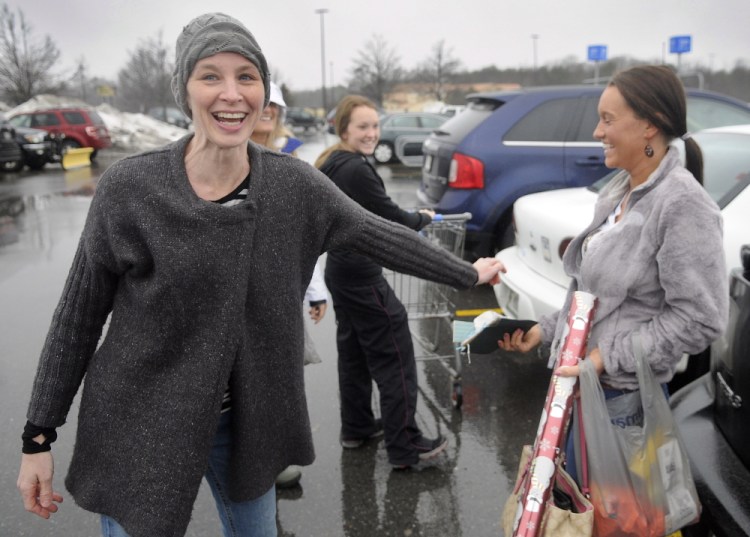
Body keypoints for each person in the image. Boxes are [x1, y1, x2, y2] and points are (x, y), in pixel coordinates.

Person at [16, 13, 505, 537]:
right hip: (141, 416)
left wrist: (465, 273)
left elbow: (378, 233)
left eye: (247, 76)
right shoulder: (130, 189)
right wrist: (38, 438)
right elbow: (77, 318)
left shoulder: (294, 187)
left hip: (243, 422)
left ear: (264, 91)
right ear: (186, 90)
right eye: (211, 76)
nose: (232, 94)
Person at [498, 65, 728, 482]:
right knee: (578, 516)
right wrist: (546, 330)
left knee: (614, 523)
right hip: (581, 390)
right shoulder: (619, 191)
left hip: (626, 407)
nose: (596, 131)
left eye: (607, 119)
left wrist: (606, 358)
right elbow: (592, 296)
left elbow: (701, 319)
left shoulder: (683, 205)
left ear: (649, 126)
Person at [314, 95, 449, 469]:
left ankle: (356, 427)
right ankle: (406, 446)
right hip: (361, 275)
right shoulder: (355, 168)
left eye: (375, 126)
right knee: (395, 356)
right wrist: (421, 218)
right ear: (344, 129)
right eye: (362, 127)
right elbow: (389, 217)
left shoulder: (332, 162)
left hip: (341, 272)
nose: (372, 133)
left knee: (355, 353)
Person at [250, 80, 327, 489]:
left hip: (282, 292)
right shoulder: (223, 157)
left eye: (274, 107)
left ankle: (270, 458)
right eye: (263, 105)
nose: (268, 113)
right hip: (238, 296)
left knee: (279, 378)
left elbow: (305, 235)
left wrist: (315, 289)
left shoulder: (292, 163)